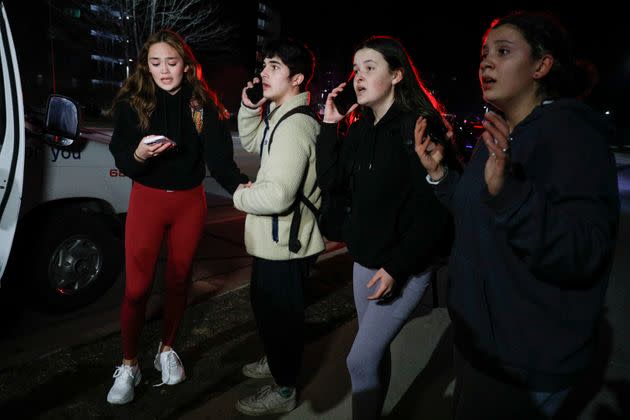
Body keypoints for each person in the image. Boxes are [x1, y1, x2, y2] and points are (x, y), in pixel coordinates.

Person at [415, 11, 619, 419]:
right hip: (479, 343)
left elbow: (585, 252)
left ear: (542, 66)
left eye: (503, 52)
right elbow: (477, 211)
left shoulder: (572, 137)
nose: (485, 62)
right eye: (484, 53)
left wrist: (511, 195)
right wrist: (440, 175)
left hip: (524, 363)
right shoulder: (503, 132)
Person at [106, 29, 248, 405]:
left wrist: (244, 188)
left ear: (186, 65)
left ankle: (166, 349)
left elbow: (220, 162)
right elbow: (121, 154)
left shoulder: (201, 106)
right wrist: (138, 154)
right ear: (145, 66)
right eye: (155, 63)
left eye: (171, 62)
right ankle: (129, 363)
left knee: (178, 280)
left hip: (189, 202)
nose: (164, 70)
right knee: (136, 289)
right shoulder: (134, 102)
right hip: (147, 201)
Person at [317, 36, 453, 419]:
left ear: (396, 75)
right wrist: (330, 125)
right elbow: (332, 183)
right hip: (365, 261)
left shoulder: (417, 128)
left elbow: (434, 212)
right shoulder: (361, 127)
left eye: (369, 68)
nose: (358, 77)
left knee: (359, 360)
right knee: (372, 357)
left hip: (404, 266)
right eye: (356, 69)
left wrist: (397, 267)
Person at [232, 38, 324, 416]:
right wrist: (250, 109)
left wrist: (239, 196)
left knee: (282, 319)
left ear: (297, 78)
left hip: (287, 243)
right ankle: (274, 358)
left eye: (274, 67)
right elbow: (253, 142)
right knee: (265, 307)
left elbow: (278, 196)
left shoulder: (295, 126)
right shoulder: (280, 116)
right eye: (264, 65)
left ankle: (285, 389)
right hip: (275, 241)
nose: (263, 73)